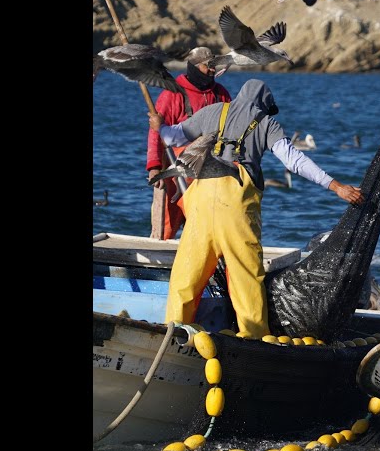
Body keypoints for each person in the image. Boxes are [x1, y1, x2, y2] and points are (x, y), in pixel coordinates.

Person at [148, 79, 364, 338]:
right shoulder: (265, 123)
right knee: (245, 278)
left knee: (186, 276)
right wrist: (335, 185)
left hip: (200, 206)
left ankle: (174, 333)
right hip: (235, 210)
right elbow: (294, 161)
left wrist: (159, 127)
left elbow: (172, 138)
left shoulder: (213, 111)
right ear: (263, 104)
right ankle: (252, 338)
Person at [146, 47, 232, 240]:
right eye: (207, 66)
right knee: (165, 229)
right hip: (175, 175)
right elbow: (155, 131)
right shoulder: (172, 93)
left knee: (207, 228)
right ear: (193, 67)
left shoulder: (222, 95)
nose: (212, 70)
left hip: (210, 175)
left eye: (214, 66)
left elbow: (232, 131)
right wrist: (154, 166)